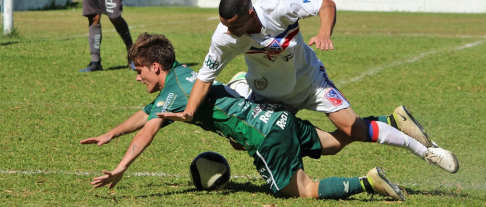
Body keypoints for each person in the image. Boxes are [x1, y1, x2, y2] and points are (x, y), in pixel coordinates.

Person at [80, 33, 412, 200]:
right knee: (335, 143)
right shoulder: (184, 77)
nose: (138, 78)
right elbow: (146, 114)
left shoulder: (177, 89)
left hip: (264, 137)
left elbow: (148, 130)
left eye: (139, 72)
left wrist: (121, 167)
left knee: (303, 190)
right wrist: (111, 134)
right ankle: (388, 121)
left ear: (156, 67)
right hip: (276, 118)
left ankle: (368, 182)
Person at [163, 0, 459, 172]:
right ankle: (242, 83)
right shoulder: (225, 38)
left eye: (234, 24)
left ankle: (426, 151)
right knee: (244, 144)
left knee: (351, 129)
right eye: (225, 25)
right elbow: (205, 76)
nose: (228, 31)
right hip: (268, 94)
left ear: (250, 13)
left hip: (310, 82)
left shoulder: (279, 5)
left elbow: (325, 4)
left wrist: (325, 32)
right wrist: (189, 111)